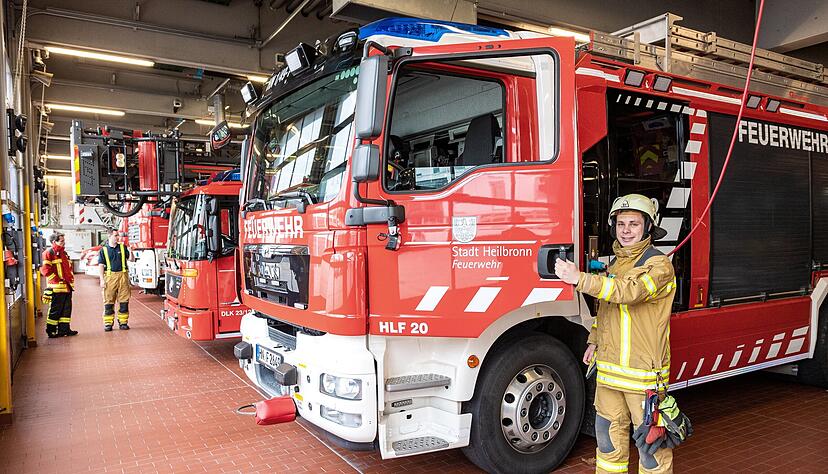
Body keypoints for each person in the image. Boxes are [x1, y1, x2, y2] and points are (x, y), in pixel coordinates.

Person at [555, 194, 676, 474]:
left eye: (634, 224)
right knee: (608, 441)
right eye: (621, 224)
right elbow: (608, 309)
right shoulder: (616, 265)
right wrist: (594, 340)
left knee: (651, 450)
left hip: (643, 374)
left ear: (648, 227)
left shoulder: (659, 266)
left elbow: (629, 293)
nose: (626, 230)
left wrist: (579, 279)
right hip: (610, 372)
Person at [40, 232, 78, 337]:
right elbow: (45, 270)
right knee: (55, 310)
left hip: (67, 286)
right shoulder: (48, 253)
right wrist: (57, 280)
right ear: (54, 242)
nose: (64, 243)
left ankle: (64, 330)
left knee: (66, 310)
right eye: (61, 241)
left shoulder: (63, 253)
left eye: (64, 240)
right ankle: (51, 330)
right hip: (57, 288)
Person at [99, 229, 131, 331]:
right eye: (116, 236)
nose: (118, 237)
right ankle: (108, 323)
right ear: (109, 237)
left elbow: (131, 259)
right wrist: (101, 280)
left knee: (124, 301)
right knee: (108, 302)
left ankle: (123, 322)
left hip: (123, 277)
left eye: (118, 236)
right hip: (110, 277)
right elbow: (101, 265)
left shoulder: (122, 247)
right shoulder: (103, 250)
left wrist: (130, 250)